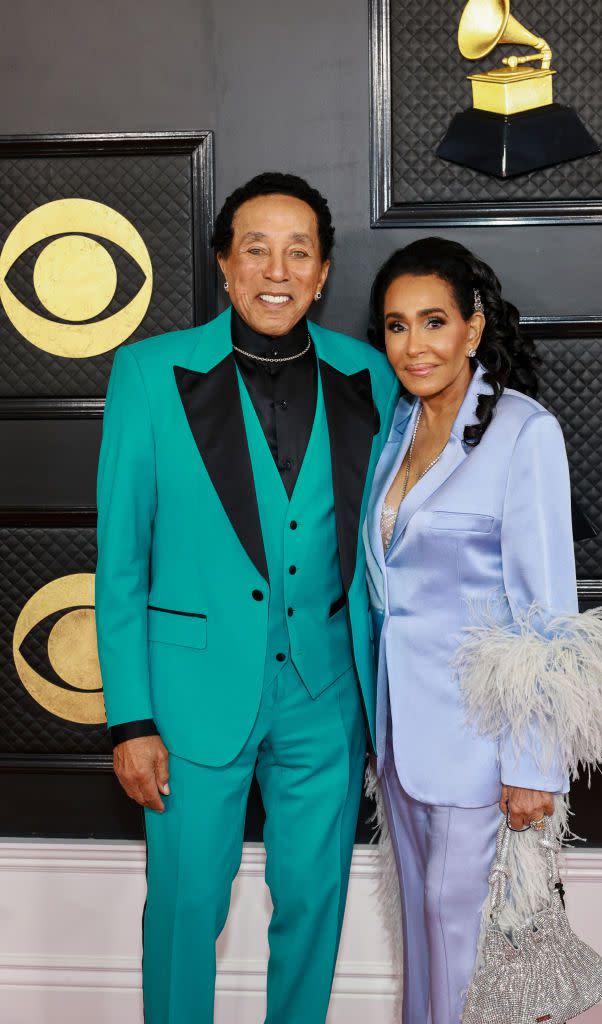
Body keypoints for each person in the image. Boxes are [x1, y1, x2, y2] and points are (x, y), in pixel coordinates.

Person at [94, 172, 399, 1024]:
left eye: (297, 251)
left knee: (314, 906)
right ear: (224, 266)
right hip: (189, 703)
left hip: (326, 695)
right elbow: (119, 561)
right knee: (187, 911)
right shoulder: (151, 374)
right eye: (256, 249)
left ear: (324, 270)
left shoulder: (369, 375)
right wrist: (131, 719)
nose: (277, 269)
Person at [363, 237, 602, 1024]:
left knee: (468, 963)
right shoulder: (397, 428)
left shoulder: (524, 431)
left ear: (473, 328)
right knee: (425, 952)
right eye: (395, 326)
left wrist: (533, 767)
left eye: (433, 322)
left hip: (480, 751)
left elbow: (546, 613)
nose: (413, 346)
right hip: (399, 746)